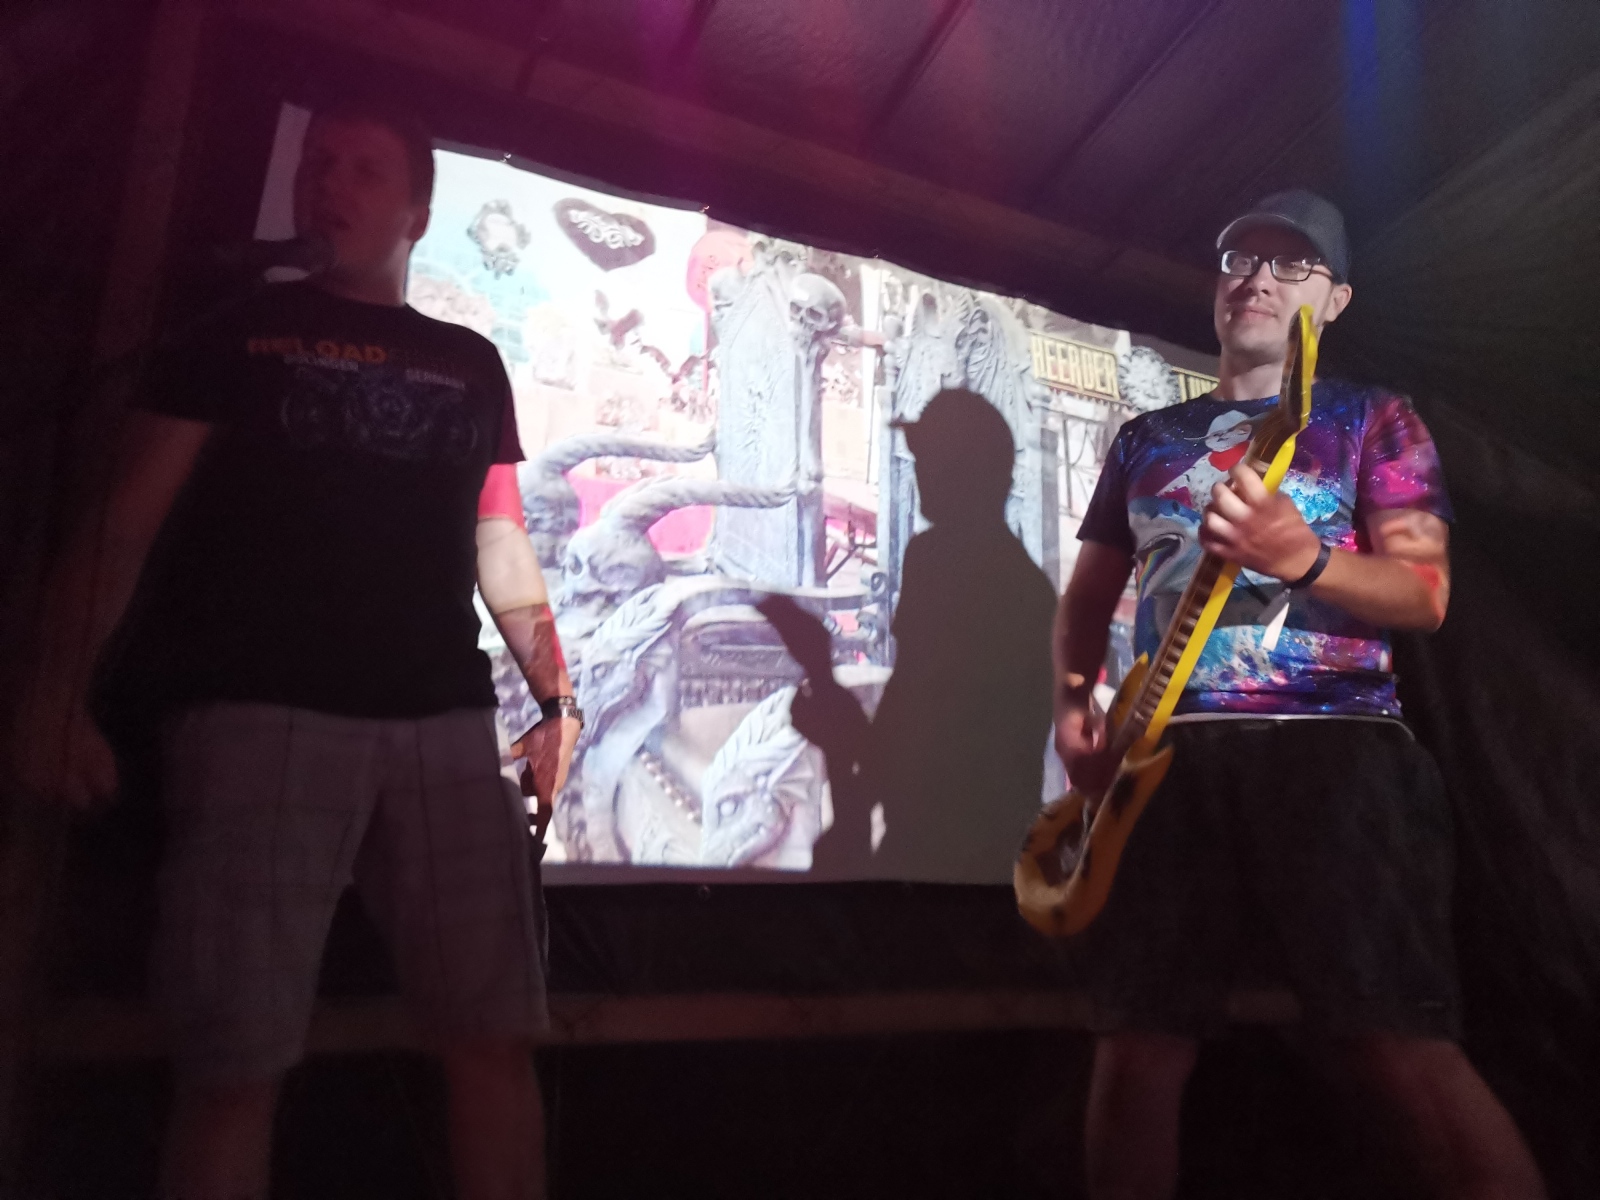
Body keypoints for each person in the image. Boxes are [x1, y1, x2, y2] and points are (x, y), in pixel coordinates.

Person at [8, 100, 578, 1200]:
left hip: (445, 723)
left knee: (494, 1037)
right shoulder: (235, 329)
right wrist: (50, 687)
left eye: (365, 169)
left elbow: (499, 538)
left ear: (417, 213)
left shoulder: (471, 362)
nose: (332, 183)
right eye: (321, 163)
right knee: (233, 1062)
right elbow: (125, 521)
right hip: (258, 714)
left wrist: (555, 697)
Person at [1056, 190, 1546, 1200]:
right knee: (1137, 1047)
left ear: (1335, 299)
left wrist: (1305, 557)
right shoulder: (1145, 438)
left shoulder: (1376, 419)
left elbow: (1425, 594)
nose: (1258, 279)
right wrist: (1072, 701)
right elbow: (1089, 595)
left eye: (1291, 265)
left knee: (1395, 1042)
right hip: (1164, 766)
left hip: (1338, 755)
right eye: (1242, 258)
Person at [773, 388, 1056, 882]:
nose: (920, 471)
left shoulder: (951, 566)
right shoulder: (1013, 582)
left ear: (966, 474)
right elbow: (910, 720)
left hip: (950, 860)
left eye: (931, 458)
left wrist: (829, 700)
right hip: (962, 852)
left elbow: (927, 740)